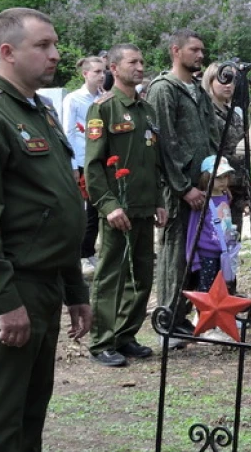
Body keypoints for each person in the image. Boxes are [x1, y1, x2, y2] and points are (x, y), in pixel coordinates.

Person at [0, 7, 92, 451]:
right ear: (8, 52)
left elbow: (58, 208)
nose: (55, 54)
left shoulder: (40, 110)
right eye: (43, 45)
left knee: (29, 415)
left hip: (46, 282)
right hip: (12, 285)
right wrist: (5, 301)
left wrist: (75, 290)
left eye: (55, 44)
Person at [84, 43, 166, 367]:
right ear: (114, 69)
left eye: (142, 61)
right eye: (133, 62)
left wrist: (159, 200)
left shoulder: (146, 109)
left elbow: (153, 160)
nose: (140, 67)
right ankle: (102, 341)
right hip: (118, 208)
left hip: (145, 206)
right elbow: (93, 166)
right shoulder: (103, 108)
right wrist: (108, 205)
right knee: (111, 276)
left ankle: (125, 335)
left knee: (142, 276)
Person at [145, 30, 216, 340]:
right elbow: (164, 143)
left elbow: (211, 135)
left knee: (195, 253)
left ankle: (182, 316)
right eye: (194, 50)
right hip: (179, 191)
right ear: (176, 50)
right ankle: (167, 321)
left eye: (202, 50)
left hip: (203, 185)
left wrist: (216, 175)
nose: (200, 55)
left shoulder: (197, 89)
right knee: (175, 255)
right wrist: (184, 188)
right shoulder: (163, 89)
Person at [62, 56, 106, 276]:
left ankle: (89, 251)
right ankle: (82, 254)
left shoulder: (104, 98)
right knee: (87, 211)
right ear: (85, 74)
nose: (101, 76)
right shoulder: (74, 99)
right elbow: (68, 132)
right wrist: (72, 165)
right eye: (97, 71)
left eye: (103, 71)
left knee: (98, 209)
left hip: (101, 160)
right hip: (81, 161)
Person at [203, 64, 249, 240]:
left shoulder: (234, 114)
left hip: (237, 187)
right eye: (223, 80)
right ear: (210, 81)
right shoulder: (207, 113)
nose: (228, 85)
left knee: (232, 240)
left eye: (232, 81)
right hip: (219, 188)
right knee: (217, 240)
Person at [185, 156, 238, 296]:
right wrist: (193, 258)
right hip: (207, 255)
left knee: (223, 289)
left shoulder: (226, 196)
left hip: (224, 253)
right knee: (206, 292)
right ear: (207, 177)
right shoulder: (202, 201)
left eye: (226, 176)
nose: (223, 181)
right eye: (218, 177)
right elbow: (192, 231)